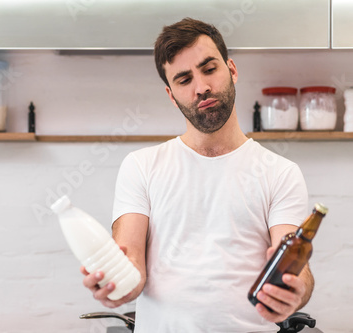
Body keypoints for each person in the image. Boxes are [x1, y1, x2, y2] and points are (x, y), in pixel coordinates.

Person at [81, 17, 313, 332]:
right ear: (171, 94)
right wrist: (115, 284)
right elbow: (129, 265)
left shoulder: (280, 173)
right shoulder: (141, 166)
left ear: (231, 69)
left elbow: (297, 270)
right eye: (183, 79)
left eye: (209, 69)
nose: (201, 87)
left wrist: (295, 292)